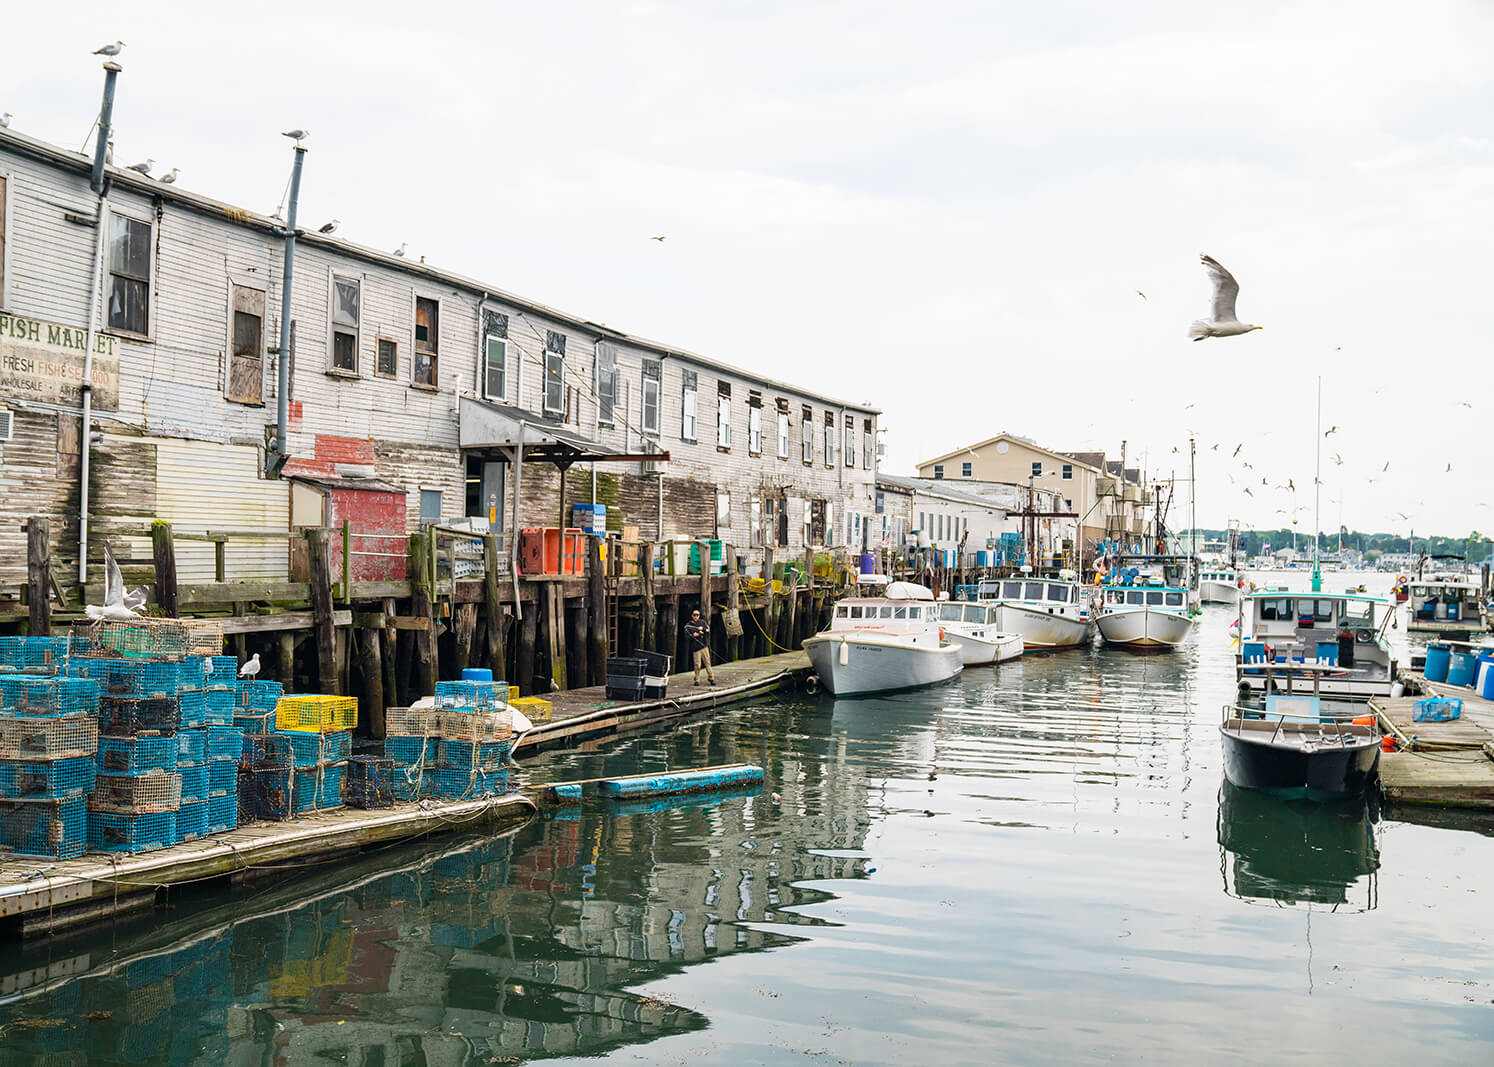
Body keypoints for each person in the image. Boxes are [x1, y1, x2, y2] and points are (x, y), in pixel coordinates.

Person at [685, 608, 716, 686]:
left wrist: (703, 629)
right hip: (696, 649)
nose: (696, 616)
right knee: (697, 665)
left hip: (704, 647)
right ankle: (697, 680)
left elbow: (708, 630)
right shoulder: (689, 625)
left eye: (697, 615)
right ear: (692, 616)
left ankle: (711, 678)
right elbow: (686, 636)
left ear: (699, 616)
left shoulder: (702, 622)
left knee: (707, 663)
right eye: (694, 615)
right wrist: (693, 635)